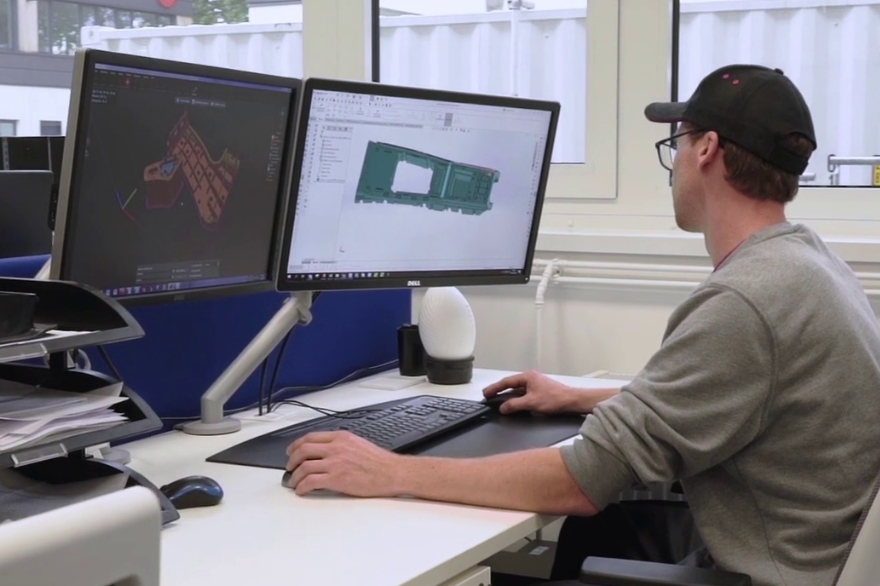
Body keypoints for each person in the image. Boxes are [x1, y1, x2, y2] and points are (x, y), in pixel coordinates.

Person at [284, 64, 880, 586]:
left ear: (707, 150)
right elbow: (749, 391)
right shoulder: (807, 263)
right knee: (587, 542)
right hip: (807, 555)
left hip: (768, 572)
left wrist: (391, 470)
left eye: (678, 143)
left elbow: (579, 483)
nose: (672, 165)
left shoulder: (744, 301)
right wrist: (584, 395)